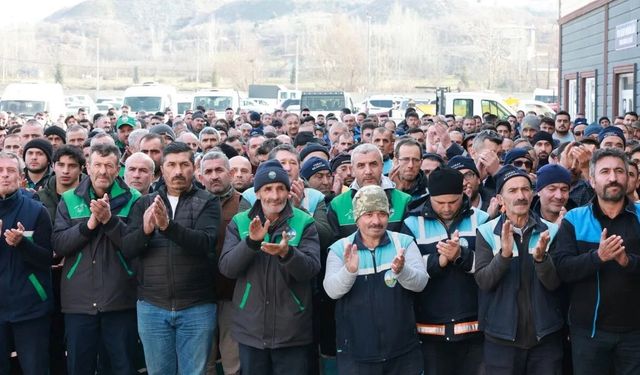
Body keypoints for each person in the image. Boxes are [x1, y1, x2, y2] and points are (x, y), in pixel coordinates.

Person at [122, 142, 220, 375]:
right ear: (161, 169)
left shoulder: (207, 201)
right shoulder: (144, 202)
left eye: (184, 165)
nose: (178, 171)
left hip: (197, 306)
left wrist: (167, 227)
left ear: (193, 167)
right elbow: (127, 248)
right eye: (171, 165)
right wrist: (146, 232)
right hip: (152, 306)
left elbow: (205, 243)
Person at [218, 159, 321, 375]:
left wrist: (288, 253)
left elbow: (311, 269)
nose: (275, 196)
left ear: (288, 191)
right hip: (251, 329)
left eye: (280, 189)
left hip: (292, 330)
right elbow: (227, 268)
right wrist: (251, 243)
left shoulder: (304, 222)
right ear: (257, 193)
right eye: (268, 189)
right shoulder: (240, 222)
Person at [52, 143, 141, 375]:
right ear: (88, 168)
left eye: (109, 165)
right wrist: (90, 224)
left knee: (123, 366)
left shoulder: (134, 198)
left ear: (118, 168)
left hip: (120, 299)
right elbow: (59, 243)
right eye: (97, 165)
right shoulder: (70, 199)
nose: (103, 171)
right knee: (79, 366)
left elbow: (136, 244)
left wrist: (110, 221)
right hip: (78, 300)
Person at [552, 148, 640, 375]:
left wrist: (627, 261)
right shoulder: (575, 219)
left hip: (635, 333)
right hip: (588, 333)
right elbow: (562, 269)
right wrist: (598, 257)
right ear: (591, 180)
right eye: (605, 172)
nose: (613, 178)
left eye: (619, 171)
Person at [324, 185, 427, 374]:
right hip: (356, 354)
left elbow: (421, 283)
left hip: (402, 352)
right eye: (368, 214)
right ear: (357, 217)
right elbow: (331, 290)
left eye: (382, 214)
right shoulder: (340, 249)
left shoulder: (403, 243)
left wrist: (402, 271)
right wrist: (349, 271)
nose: (376, 221)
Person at [475, 165, 564, 374]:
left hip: (545, 337)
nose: (521, 196)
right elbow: (484, 281)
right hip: (501, 338)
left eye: (525, 189)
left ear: (532, 194)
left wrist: (541, 260)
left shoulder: (551, 231)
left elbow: (556, 283)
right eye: (513, 191)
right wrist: (504, 256)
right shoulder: (487, 231)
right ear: (500, 199)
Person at [402, 167, 489, 375]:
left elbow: (491, 267)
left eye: (453, 201)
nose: (447, 208)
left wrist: (461, 256)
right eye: (440, 203)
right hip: (429, 328)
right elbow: (407, 269)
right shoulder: (411, 223)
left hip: (475, 328)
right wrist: (438, 261)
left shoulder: (482, 219)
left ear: (463, 194)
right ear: (428, 196)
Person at [0, 152, 54, 375]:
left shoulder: (36, 211)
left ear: (21, 177)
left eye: (10, 171)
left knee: (35, 369)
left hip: (30, 308)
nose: (4, 176)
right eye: (0, 171)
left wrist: (23, 244)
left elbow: (47, 258)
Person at [198, 151, 242, 375]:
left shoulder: (244, 204)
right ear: (200, 176)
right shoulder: (193, 203)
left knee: (233, 362)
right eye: (208, 171)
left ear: (231, 173)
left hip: (232, 294)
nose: (214, 176)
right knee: (202, 363)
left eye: (219, 170)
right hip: (197, 296)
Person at [328, 144, 411, 239]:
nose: (368, 171)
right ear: (353, 170)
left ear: (382, 167)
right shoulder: (337, 205)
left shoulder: (404, 201)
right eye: (361, 166)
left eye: (373, 164)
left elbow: (407, 243)